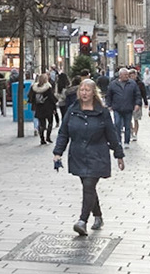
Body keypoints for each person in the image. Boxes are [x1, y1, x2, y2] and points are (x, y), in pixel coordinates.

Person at [53, 78, 125, 236]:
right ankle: (98, 215)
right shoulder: (72, 110)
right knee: (89, 188)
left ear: (94, 93)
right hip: (78, 154)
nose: (84, 93)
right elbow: (63, 132)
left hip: (97, 154)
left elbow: (112, 134)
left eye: (87, 90)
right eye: (82, 90)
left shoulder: (102, 112)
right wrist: (58, 152)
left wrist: (118, 154)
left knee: (88, 186)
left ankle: (82, 221)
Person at [32, 71, 58, 145]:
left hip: (39, 108)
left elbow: (31, 98)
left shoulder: (34, 88)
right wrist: (54, 108)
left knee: (42, 124)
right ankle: (48, 137)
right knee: (50, 122)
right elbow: (52, 99)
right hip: (48, 108)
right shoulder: (48, 87)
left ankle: (42, 139)